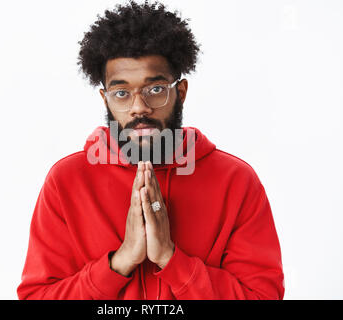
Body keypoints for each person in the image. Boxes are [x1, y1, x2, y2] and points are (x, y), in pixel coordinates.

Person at [17, 0, 284, 300]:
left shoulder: (236, 181)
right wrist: (121, 261)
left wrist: (172, 259)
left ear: (180, 93)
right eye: (121, 93)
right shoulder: (66, 182)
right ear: (106, 100)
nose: (138, 108)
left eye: (155, 89)